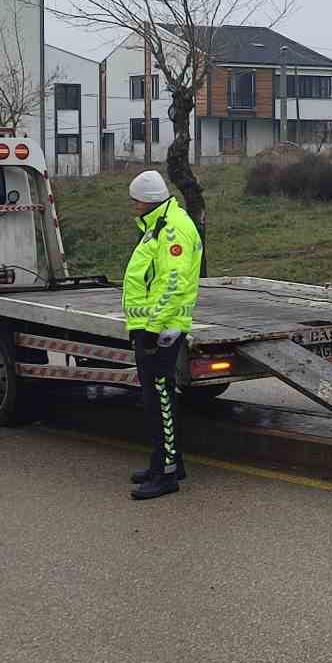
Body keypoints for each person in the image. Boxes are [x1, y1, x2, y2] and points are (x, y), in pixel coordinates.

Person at [122, 170, 203, 500]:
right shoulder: (159, 223)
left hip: (162, 330)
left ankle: (166, 475)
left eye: (135, 201)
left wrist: (153, 331)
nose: (132, 207)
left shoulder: (172, 229)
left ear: (147, 200)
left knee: (161, 400)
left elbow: (173, 284)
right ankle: (167, 462)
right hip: (153, 326)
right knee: (156, 399)